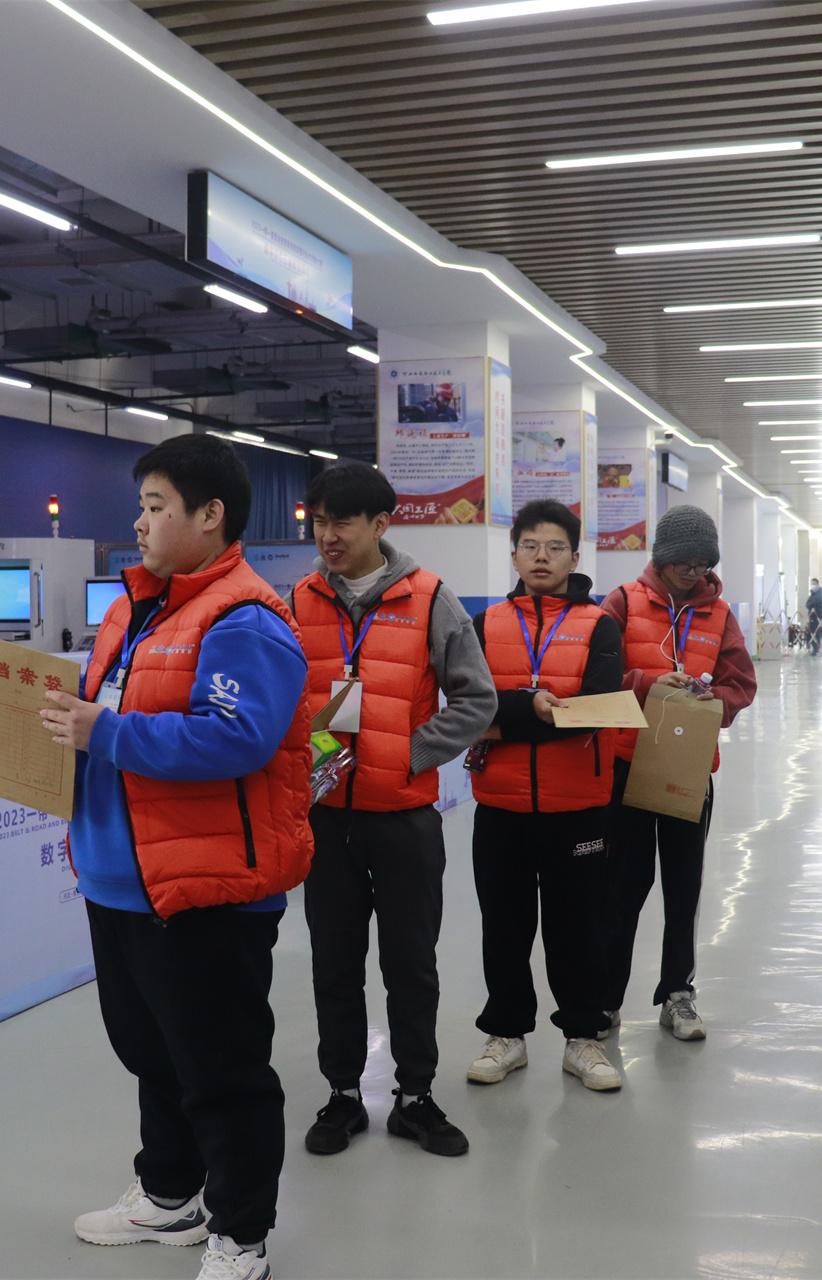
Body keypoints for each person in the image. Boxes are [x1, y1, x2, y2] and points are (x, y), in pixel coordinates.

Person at [40, 434, 311, 1280]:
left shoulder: (245, 619)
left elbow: (238, 739)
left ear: (210, 515)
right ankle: (169, 1195)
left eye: (156, 507)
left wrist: (105, 731)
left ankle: (242, 1235)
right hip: (120, 880)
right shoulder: (135, 609)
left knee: (222, 1072)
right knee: (153, 1056)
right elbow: (105, 714)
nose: (140, 522)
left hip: (204, 889)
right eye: (143, 506)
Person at [287, 463, 496, 1159]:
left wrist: (411, 753)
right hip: (326, 817)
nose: (328, 535)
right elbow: (285, 694)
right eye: (319, 521)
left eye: (342, 522)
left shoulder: (430, 598)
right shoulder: (299, 599)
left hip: (405, 817)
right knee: (333, 961)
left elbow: (477, 699)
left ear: (381, 524)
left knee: (410, 964)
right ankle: (343, 1093)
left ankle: (415, 1097)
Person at [464, 498, 626, 1092]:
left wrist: (504, 721)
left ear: (575, 558)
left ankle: (584, 1037)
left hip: (578, 806)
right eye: (530, 546)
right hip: (500, 806)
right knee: (503, 925)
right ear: (513, 555)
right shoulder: (485, 624)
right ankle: (506, 1034)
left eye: (555, 547)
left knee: (578, 927)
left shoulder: (599, 624)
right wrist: (531, 705)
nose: (541, 557)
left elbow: (596, 709)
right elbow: (469, 704)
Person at [600, 505, 756, 1043]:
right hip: (627, 764)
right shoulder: (621, 603)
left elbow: (741, 682)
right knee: (622, 887)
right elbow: (597, 676)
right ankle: (606, 999)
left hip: (688, 768)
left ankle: (678, 994)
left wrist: (716, 701)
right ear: (661, 559)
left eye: (702, 564)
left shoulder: (719, 614)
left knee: (684, 887)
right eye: (683, 564)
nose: (694, 573)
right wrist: (646, 683)